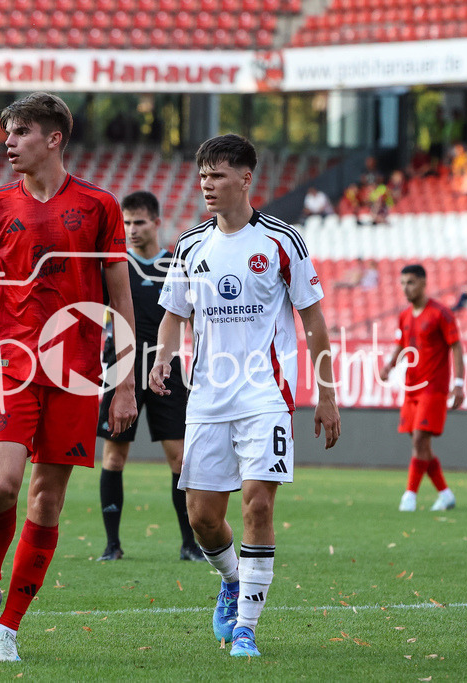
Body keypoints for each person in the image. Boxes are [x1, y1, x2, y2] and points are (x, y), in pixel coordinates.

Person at [0, 92, 138, 663]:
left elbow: (119, 296)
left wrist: (123, 381)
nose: (8, 142)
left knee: (46, 501)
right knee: (2, 486)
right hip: (12, 365)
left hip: (77, 374)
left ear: (54, 139)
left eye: (21, 131)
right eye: (7, 132)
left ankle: (10, 626)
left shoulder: (100, 206)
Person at [149, 134, 341, 659]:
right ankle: (232, 581)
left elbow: (314, 321)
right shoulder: (190, 246)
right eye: (203, 176)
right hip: (208, 398)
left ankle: (247, 629)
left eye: (218, 175)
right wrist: (162, 359)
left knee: (258, 503)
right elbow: (173, 315)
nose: (208, 185)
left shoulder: (283, 241)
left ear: (246, 178)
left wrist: (326, 395)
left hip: (266, 395)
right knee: (202, 517)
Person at [95, 191, 202, 563]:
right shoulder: (115, 264)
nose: (132, 229)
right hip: (120, 367)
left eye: (139, 222)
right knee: (115, 455)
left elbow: (192, 318)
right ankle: (112, 544)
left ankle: (189, 544)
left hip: (166, 367)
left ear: (157, 223)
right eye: (126, 223)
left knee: (179, 458)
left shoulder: (176, 265)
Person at [379, 264, 465, 513]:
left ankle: (409, 496)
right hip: (412, 387)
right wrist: (389, 366)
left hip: (434, 388)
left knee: (419, 438)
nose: (406, 288)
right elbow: (401, 344)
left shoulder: (441, 313)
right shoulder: (405, 315)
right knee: (421, 445)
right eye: (403, 283)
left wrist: (458, 383)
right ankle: (445, 494)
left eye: (411, 282)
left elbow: (456, 347)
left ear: (424, 283)